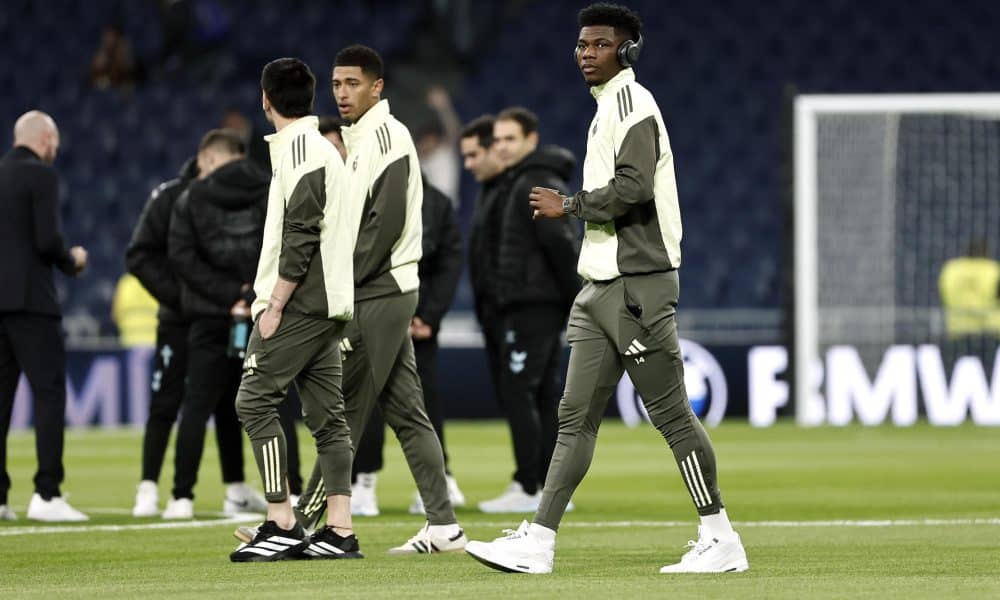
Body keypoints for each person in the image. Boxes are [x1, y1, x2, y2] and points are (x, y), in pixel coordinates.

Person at [465, 3, 749, 574]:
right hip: (599, 286)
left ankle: (720, 537)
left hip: (636, 284)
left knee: (670, 414)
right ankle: (539, 543)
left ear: (628, 49)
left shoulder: (631, 103)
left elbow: (635, 187)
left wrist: (567, 205)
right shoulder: (605, 109)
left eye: (598, 44)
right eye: (581, 45)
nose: (585, 54)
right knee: (573, 419)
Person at [293, 44, 467, 554]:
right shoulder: (362, 139)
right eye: (336, 83)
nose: (342, 93)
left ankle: (300, 523)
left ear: (377, 87)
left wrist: (338, 288)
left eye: (352, 83)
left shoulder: (388, 139)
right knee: (408, 413)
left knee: (342, 410)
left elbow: (383, 227)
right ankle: (444, 526)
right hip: (381, 290)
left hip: (378, 291)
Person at [229, 57, 359, 562]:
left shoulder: (302, 150)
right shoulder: (319, 149)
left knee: (253, 401)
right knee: (329, 419)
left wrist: (275, 303)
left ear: (265, 99)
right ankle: (339, 530)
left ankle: (280, 519)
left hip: (301, 302)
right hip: (329, 304)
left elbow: (301, 234)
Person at [125, 156, 249, 518]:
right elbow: (139, 256)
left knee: (227, 401)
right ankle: (147, 488)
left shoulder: (226, 197)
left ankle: (236, 488)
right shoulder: (171, 197)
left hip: (219, 314)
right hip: (180, 319)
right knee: (166, 401)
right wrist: (178, 298)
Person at [477, 107, 581, 514]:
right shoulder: (519, 182)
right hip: (529, 302)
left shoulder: (535, 184)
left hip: (534, 304)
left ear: (530, 141)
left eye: (509, 139)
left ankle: (530, 483)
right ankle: (545, 486)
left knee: (520, 390)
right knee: (538, 393)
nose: (500, 147)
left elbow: (561, 244)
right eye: (497, 140)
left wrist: (578, 297)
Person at [164, 129, 270, 519]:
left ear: (210, 159)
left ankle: (181, 498)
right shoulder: (268, 189)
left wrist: (226, 296)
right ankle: (285, 492)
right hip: (262, 311)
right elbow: (278, 246)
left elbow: (181, 257)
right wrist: (249, 293)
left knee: (198, 406)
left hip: (209, 314)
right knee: (270, 402)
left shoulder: (192, 198)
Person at [350, 175, 466, 517]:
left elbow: (448, 261)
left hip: (401, 320)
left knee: (405, 401)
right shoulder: (431, 199)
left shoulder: (425, 201)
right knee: (409, 403)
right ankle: (367, 482)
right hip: (388, 316)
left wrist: (427, 316)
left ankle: (432, 481)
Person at [0, 111, 88, 522]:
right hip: (32, 302)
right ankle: (47, 494)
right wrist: (72, 260)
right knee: (49, 394)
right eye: (54, 140)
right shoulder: (42, 176)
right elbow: (47, 239)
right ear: (45, 138)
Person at [462, 115, 507, 409]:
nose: (467, 165)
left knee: (528, 403)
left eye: (473, 155)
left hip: (514, 316)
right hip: (494, 315)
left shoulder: (517, 192)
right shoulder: (487, 193)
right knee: (514, 401)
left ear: (494, 150)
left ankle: (542, 459)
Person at [111, 273, 159, 348]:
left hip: (129, 340)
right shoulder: (162, 282)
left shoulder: (126, 282)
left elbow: (115, 314)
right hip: (156, 340)